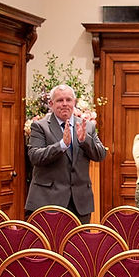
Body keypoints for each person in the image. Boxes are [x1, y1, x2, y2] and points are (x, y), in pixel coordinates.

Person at [26, 84, 107, 224]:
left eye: (68, 100)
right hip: (48, 202)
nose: (64, 104)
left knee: (79, 239)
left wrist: (85, 141)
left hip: (80, 204)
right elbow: (35, 156)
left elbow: (100, 155)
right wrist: (62, 145)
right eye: (59, 100)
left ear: (74, 102)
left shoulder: (87, 126)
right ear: (51, 104)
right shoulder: (40, 126)